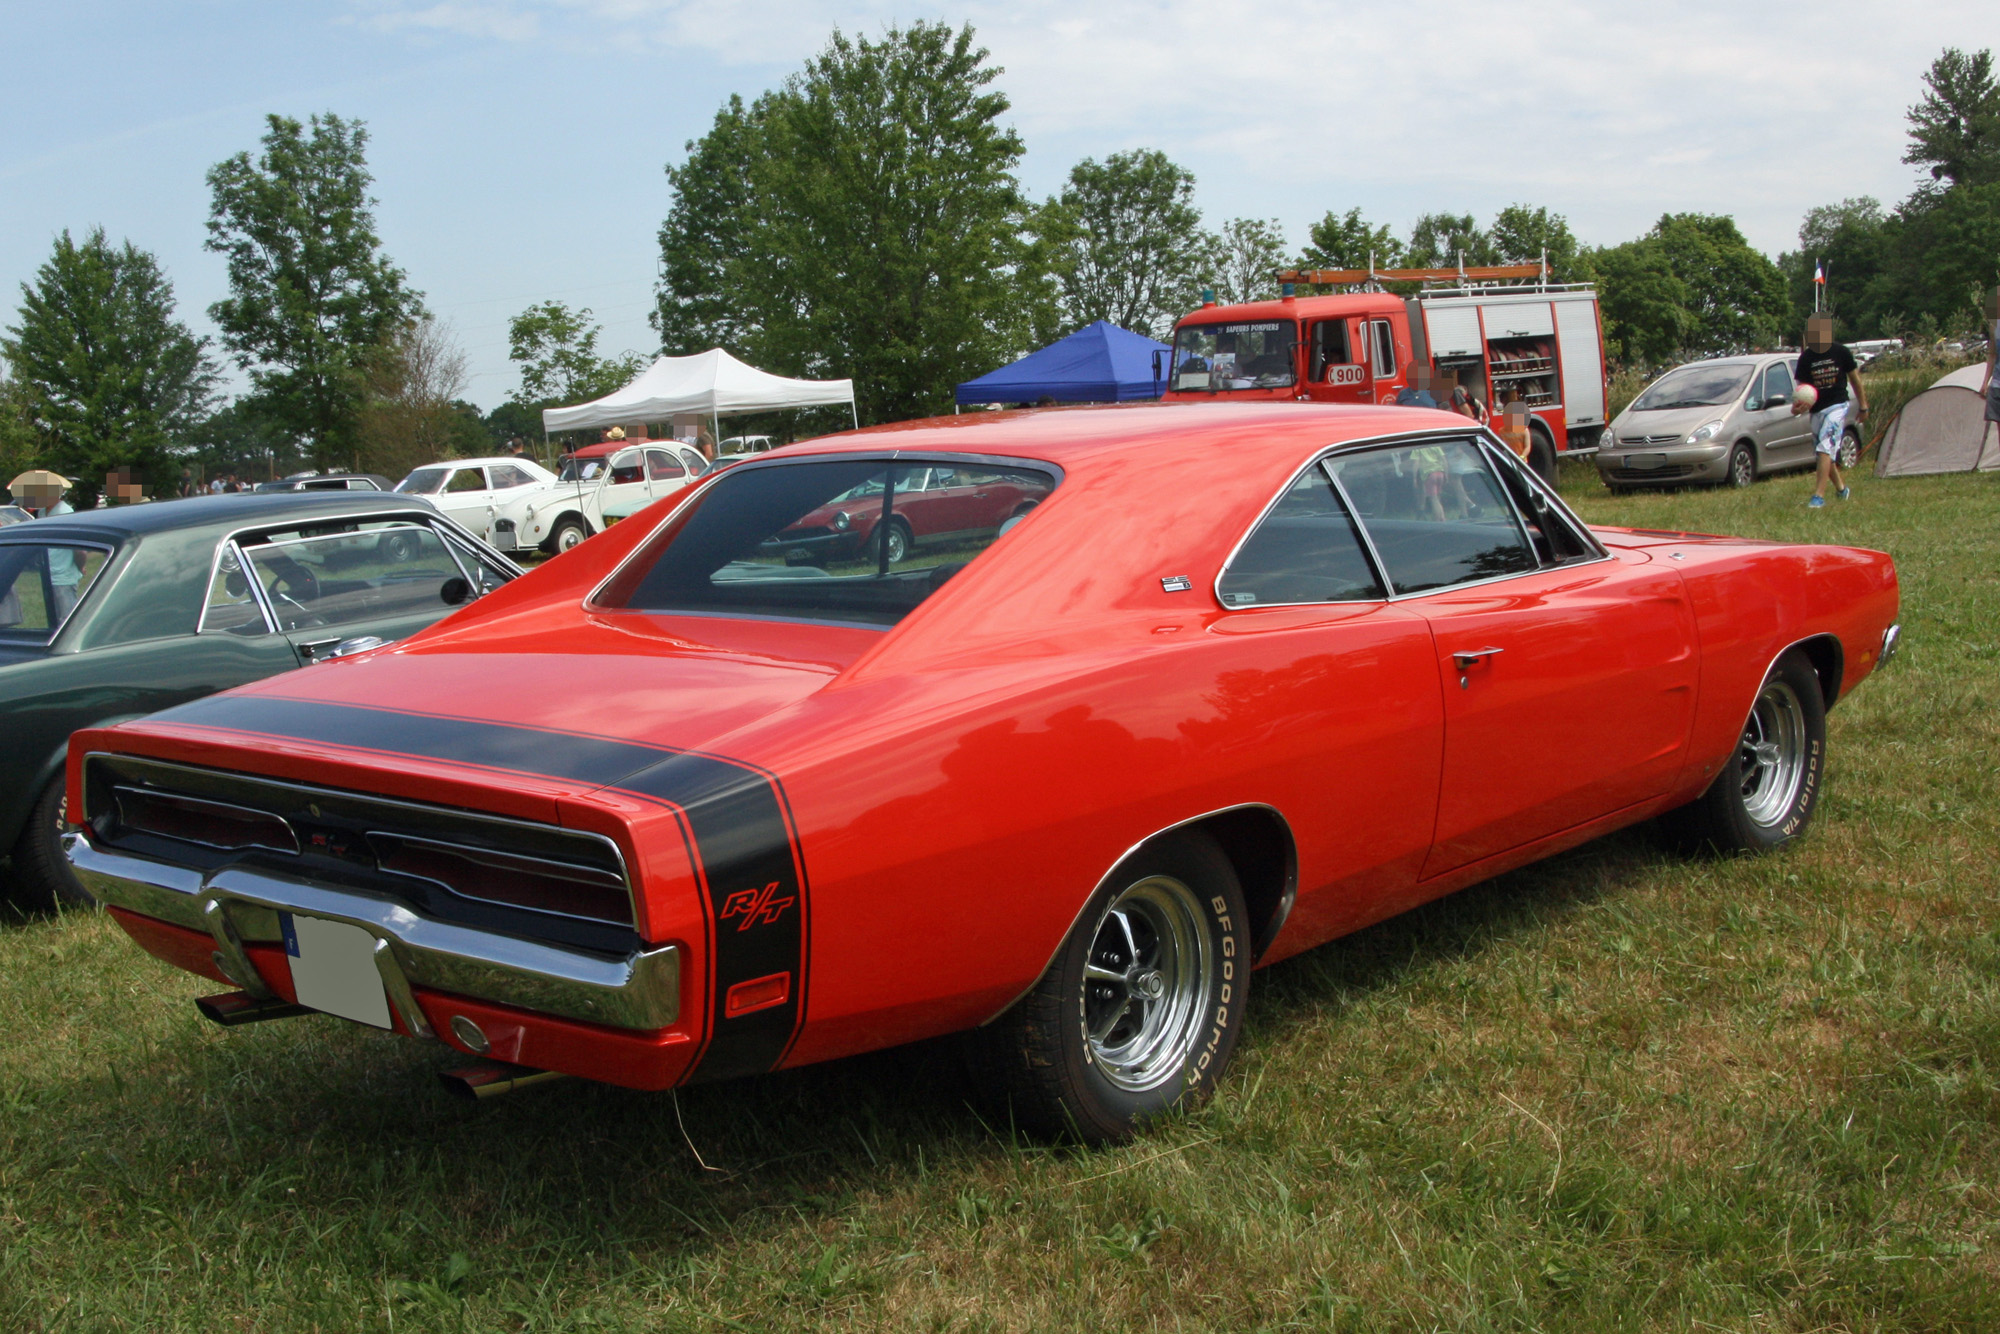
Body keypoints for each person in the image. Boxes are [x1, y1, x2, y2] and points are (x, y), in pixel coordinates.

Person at [1793, 313, 1866, 508]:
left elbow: (1855, 380)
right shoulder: (1806, 358)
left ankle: (1818, 496)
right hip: (1817, 410)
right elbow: (1802, 391)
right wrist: (1798, 408)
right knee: (1824, 454)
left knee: (1825, 447)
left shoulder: (1841, 352)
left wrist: (1863, 405)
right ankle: (1842, 489)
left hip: (1837, 406)